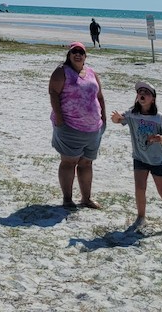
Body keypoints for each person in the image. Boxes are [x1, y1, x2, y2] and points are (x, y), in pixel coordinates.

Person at [111, 82, 162, 234]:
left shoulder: (159, 118)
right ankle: (141, 217)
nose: (142, 94)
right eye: (140, 92)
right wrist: (116, 118)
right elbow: (118, 120)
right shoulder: (132, 114)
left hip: (157, 160)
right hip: (140, 158)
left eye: (146, 92)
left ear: (153, 99)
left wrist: (159, 138)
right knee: (140, 189)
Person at [49, 42, 106, 209]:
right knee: (69, 162)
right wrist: (59, 118)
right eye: (74, 51)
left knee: (86, 163)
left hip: (93, 129)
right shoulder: (62, 71)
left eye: (81, 52)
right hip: (70, 126)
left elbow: (100, 96)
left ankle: (86, 199)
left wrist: (103, 118)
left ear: (85, 56)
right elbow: (53, 93)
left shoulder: (91, 73)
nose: (78, 54)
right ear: (69, 54)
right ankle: (67, 200)